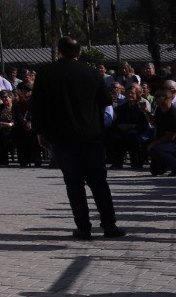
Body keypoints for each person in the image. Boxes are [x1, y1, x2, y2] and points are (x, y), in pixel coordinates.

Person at [32, 36, 124, 240]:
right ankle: (109, 225)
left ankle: (83, 227)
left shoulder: (46, 73)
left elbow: (37, 106)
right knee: (99, 183)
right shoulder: (92, 73)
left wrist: (41, 132)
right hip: (91, 135)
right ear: (79, 53)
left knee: (74, 184)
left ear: (59, 52)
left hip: (63, 137)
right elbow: (106, 101)